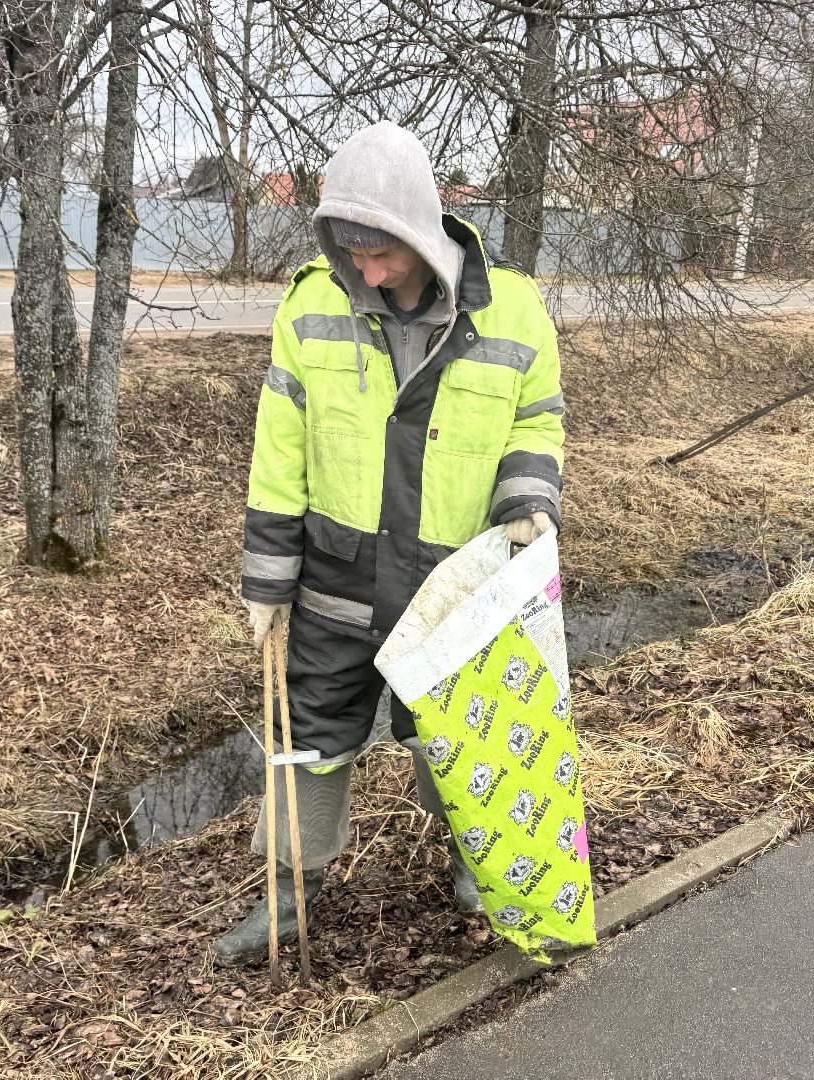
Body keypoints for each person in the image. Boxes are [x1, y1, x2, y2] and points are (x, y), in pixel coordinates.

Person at [214, 119, 565, 964]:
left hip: (454, 594)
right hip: (336, 586)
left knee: (456, 744)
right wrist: (266, 583)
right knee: (308, 746)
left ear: (418, 226)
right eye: (353, 251)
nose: (368, 271)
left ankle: (480, 876)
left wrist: (527, 499)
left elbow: (537, 414)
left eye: (383, 252)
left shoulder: (511, 306)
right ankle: (288, 899)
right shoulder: (311, 305)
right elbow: (280, 447)